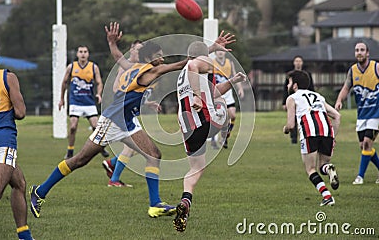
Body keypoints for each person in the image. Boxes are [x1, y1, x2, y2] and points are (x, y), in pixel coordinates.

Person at [30, 22, 235, 220]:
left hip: (126, 121)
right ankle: (40, 191)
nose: (162, 60)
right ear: (151, 59)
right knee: (80, 160)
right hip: (111, 121)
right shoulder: (151, 70)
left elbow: (119, 56)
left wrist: (112, 43)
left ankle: (155, 205)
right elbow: (185, 63)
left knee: (154, 154)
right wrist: (210, 49)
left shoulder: (132, 66)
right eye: (159, 57)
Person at [173, 41, 246, 232]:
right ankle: (223, 134)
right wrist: (197, 96)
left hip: (188, 126)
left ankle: (186, 200)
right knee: (225, 112)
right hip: (205, 119)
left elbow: (213, 92)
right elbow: (193, 64)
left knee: (196, 168)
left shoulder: (183, 76)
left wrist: (232, 81)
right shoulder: (195, 64)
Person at [0, 35, 34, 240]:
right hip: (2, 141)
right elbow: (20, 113)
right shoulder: (7, 77)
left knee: (19, 183)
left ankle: (24, 235)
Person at [283, 70, 340, 206]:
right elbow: (337, 116)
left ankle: (327, 197)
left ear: (295, 85)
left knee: (311, 169)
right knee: (323, 166)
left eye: (289, 82)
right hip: (327, 132)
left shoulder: (292, 98)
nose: (287, 86)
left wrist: (285, 129)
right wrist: (334, 137)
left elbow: (291, 125)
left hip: (309, 132)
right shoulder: (318, 96)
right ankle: (329, 169)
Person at [335, 41, 379, 185]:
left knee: (367, 143)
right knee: (363, 147)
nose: (359, 52)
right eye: (356, 50)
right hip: (362, 114)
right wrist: (339, 100)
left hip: (376, 113)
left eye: (362, 50)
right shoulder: (353, 70)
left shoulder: (376, 67)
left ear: (367, 53)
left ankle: (360, 176)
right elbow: (346, 88)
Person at [101, 39, 144, 188]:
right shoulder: (125, 66)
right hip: (121, 113)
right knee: (132, 147)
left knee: (144, 149)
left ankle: (111, 163)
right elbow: (115, 88)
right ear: (131, 50)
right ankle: (114, 179)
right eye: (137, 49)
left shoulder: (140, 67)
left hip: (129, 112)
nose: (139, 53)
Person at [58, 45, 109, 159]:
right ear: (77, 54)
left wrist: (98, 94)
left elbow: (99, 82)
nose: (83, 54)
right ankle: (70, 150)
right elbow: (64, 83)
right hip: (75, 102)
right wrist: (62, 99)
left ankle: (100, 148)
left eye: (85, 51)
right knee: (73, 126)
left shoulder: (93, 67)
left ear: (88, 54)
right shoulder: (71, 67)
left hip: (89, 102)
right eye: (80, 51)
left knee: (96, 127)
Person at [210, 50, 244, 149]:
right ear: (215, 53)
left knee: (232, 115)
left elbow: (234, 76)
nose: (220, 52)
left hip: (228, 93)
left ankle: (225, 136)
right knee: (217, 116)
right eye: (218, 50)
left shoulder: (230, 62)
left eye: (222, 50)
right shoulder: (211, 63)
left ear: (225, 52)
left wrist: (240, 88)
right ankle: (213, 139)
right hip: (217, 92)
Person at [282, 55, 315, 144]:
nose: (298, 63)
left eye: (299, 61)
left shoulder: (307, 75)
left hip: (304, 100)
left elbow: (311, 87)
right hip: (293, 99)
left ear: (302, 63)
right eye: (296, 61)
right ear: (294, 63)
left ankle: (307, 135)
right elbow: (285, 89)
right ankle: (293, 138)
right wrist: (284, 102)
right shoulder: (290, 75)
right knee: (293, 118)